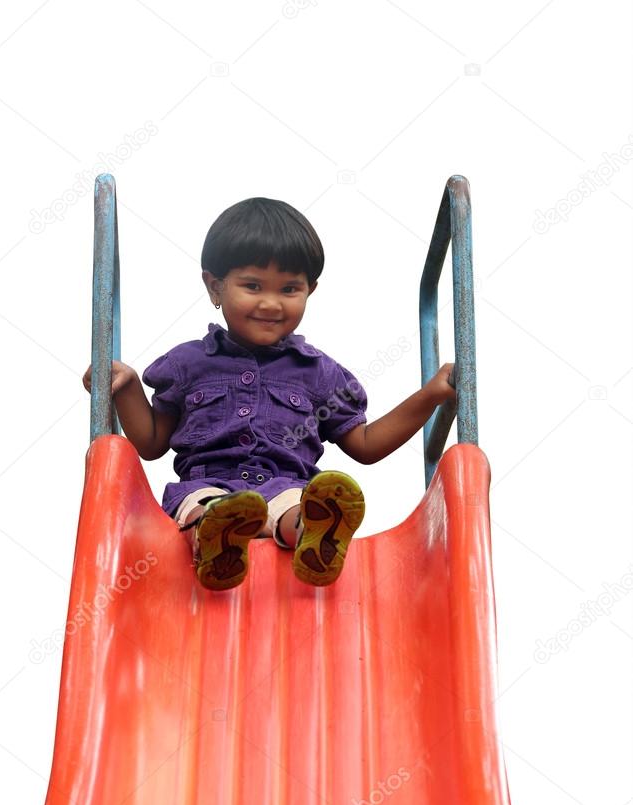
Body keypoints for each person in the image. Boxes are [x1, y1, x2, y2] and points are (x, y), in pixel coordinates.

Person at [83, 196, 455, 592]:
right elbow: (152, 442)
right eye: (253, 286)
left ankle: (319, 537)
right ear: (215, 287)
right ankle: (217, 542)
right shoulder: (187, 364)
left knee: (298, 507)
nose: (270, 303)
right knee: (202, 508)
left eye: (289, 289)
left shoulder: (317, 373)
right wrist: (126, 388)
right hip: (207, 485)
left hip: (287, 486)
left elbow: (365, 444)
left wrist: (430, 395)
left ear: (310, 291)